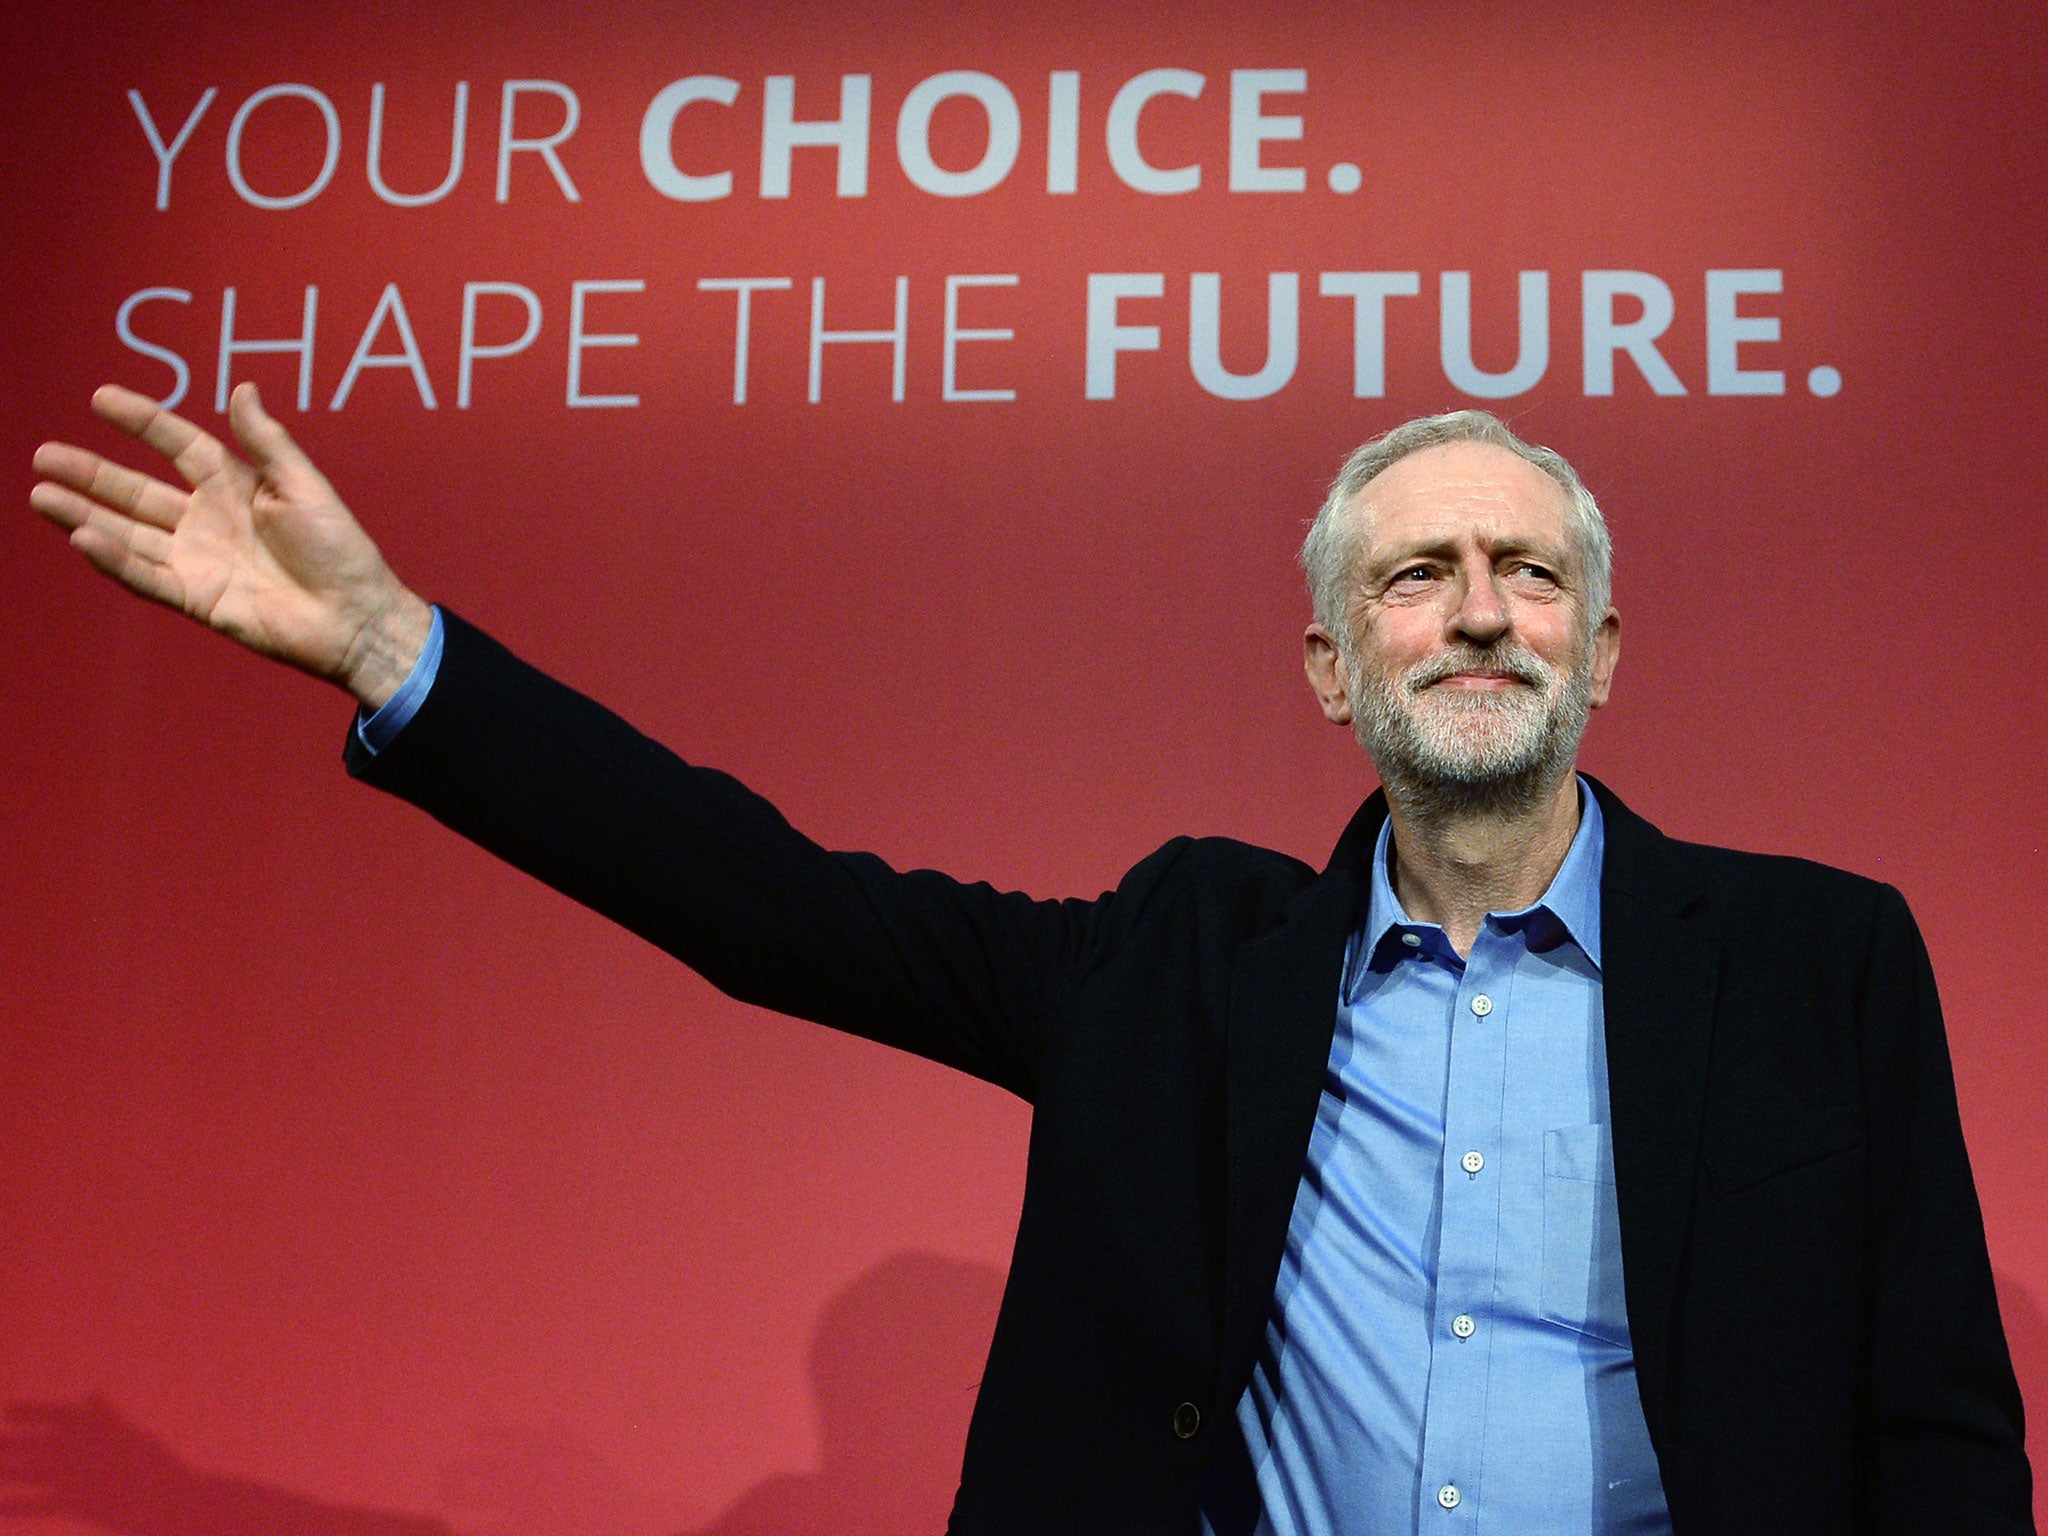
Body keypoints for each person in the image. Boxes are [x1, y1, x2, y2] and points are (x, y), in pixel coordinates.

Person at [30, 385, 2034, 1535]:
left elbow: (1939, 1431)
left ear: (1600, 653)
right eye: (1417, 576)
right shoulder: (1178, 962)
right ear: (1339, 671)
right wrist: (401, 659)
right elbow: (770, 902)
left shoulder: (1815, 963)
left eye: (1533, 574)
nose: (1482, 612)